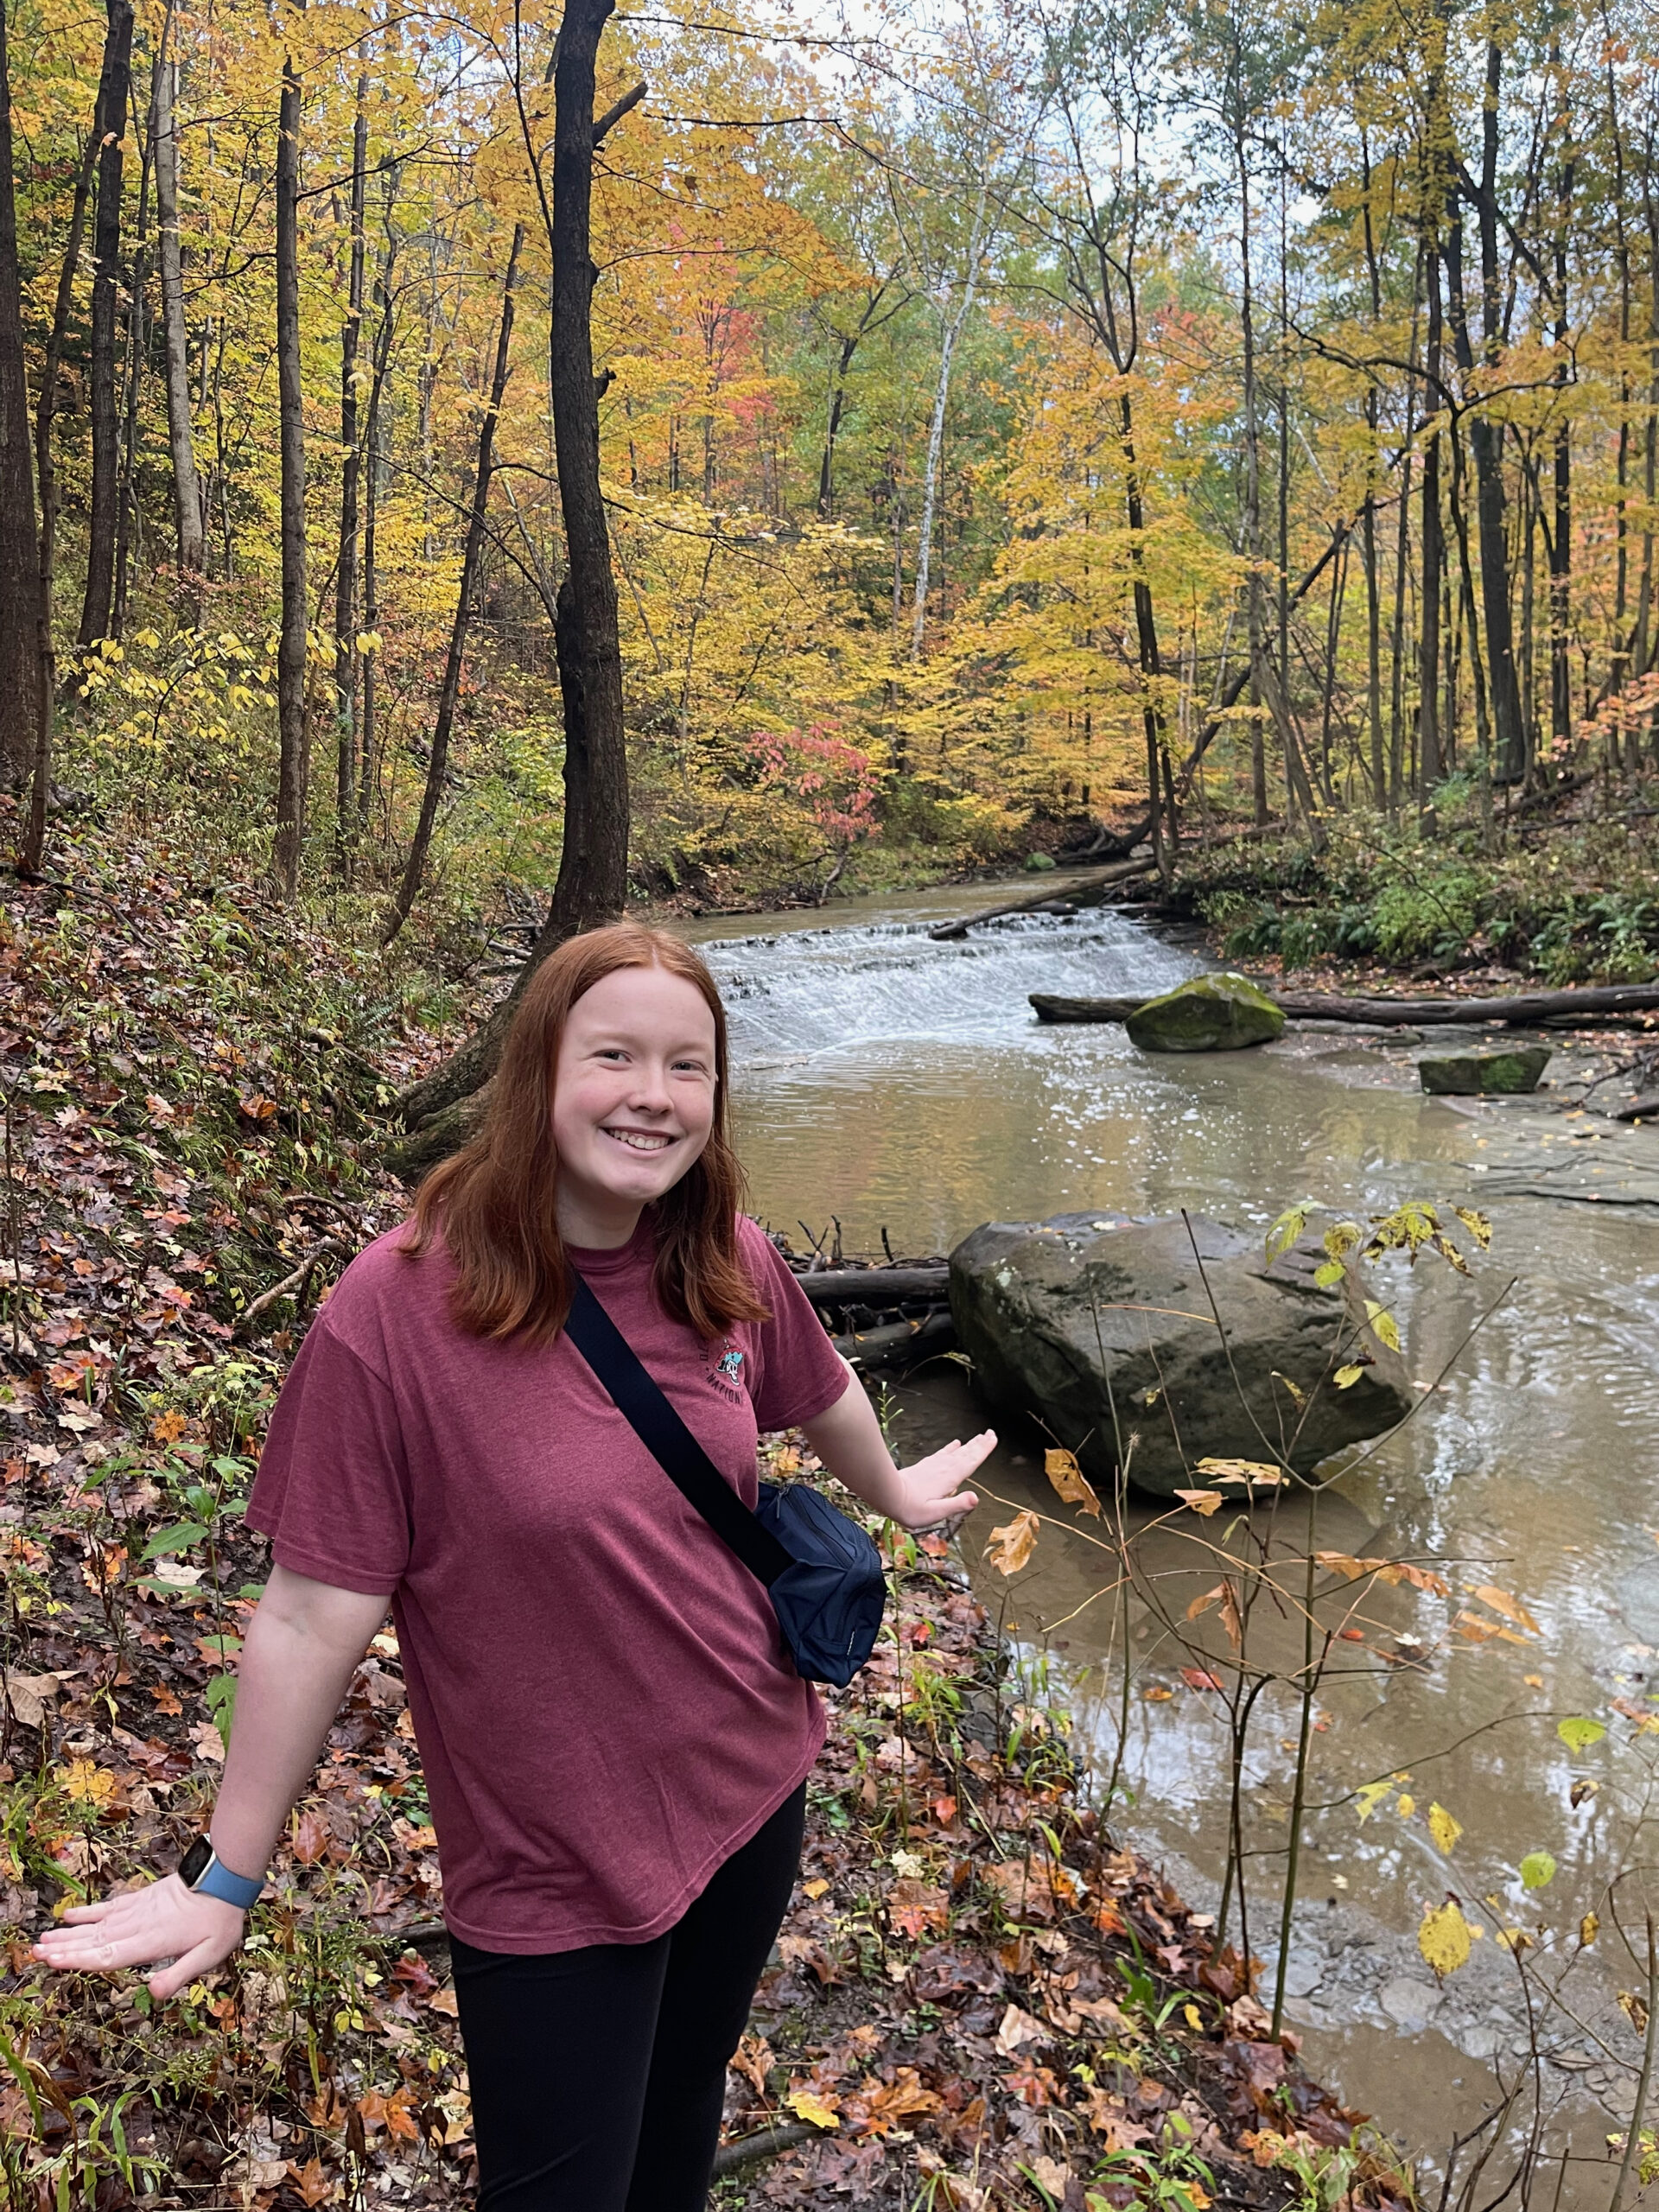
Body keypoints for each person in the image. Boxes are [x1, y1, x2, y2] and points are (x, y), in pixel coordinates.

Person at [35, 921, 996, 2209]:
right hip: (551, 1864)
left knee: (678, 2127)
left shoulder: (724, 1257)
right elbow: (314, 1613)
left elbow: (813, 1389)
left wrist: (892, 1491)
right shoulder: (396, 1313)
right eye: (614, 1056)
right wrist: (227, 1875)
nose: (653, 1096)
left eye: (687, 1066)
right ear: (538, 1071)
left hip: (749, 1790)